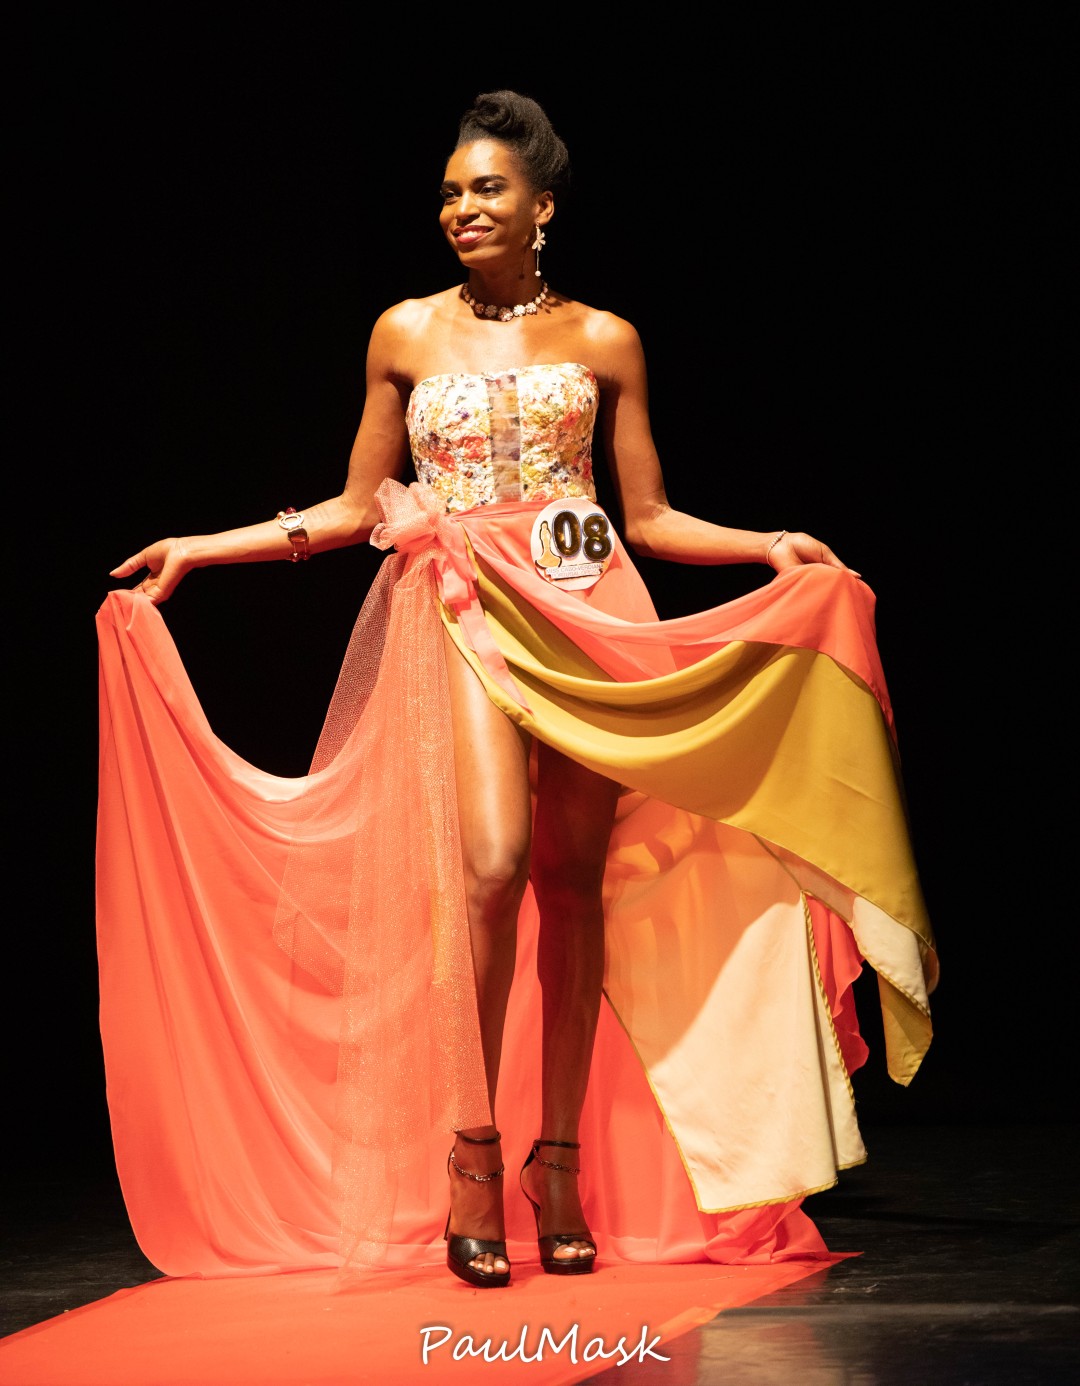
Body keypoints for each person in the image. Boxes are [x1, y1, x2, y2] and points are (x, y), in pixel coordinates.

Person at [103, 89, 937, 1291]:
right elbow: (353, 506)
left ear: (543, 206)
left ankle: (560, 1166)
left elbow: (648, 516)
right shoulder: (404, 332)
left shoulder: (605, 338)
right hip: (462, 611)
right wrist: (205, 546)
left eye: (488, 189)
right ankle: (473, 1156)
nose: (463, 209)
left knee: (573, 882)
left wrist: (769, 546)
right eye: (450, 192)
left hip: (591, 608)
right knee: (491, 868)